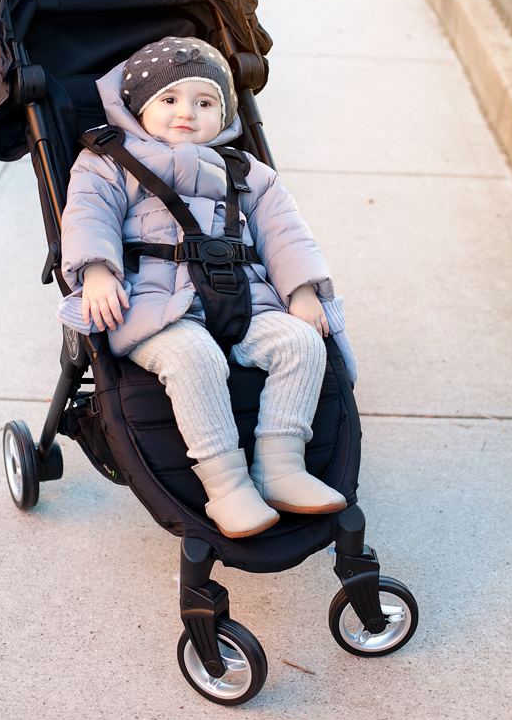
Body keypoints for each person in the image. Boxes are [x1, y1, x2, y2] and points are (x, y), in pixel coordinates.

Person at [58, 37, 357, 539]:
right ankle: (227, 487)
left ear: (224, 113)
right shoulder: (110, 161)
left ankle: (281, 467)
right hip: (156, 305)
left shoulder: (246, 172)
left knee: (302, 343)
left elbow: (286, 233)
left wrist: (304, 289)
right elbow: (88, 214)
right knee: (196, 358)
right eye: (169, 100)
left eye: (205, 102)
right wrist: (96, 270)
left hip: (243, 300)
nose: (186, 114)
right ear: (138, 105)